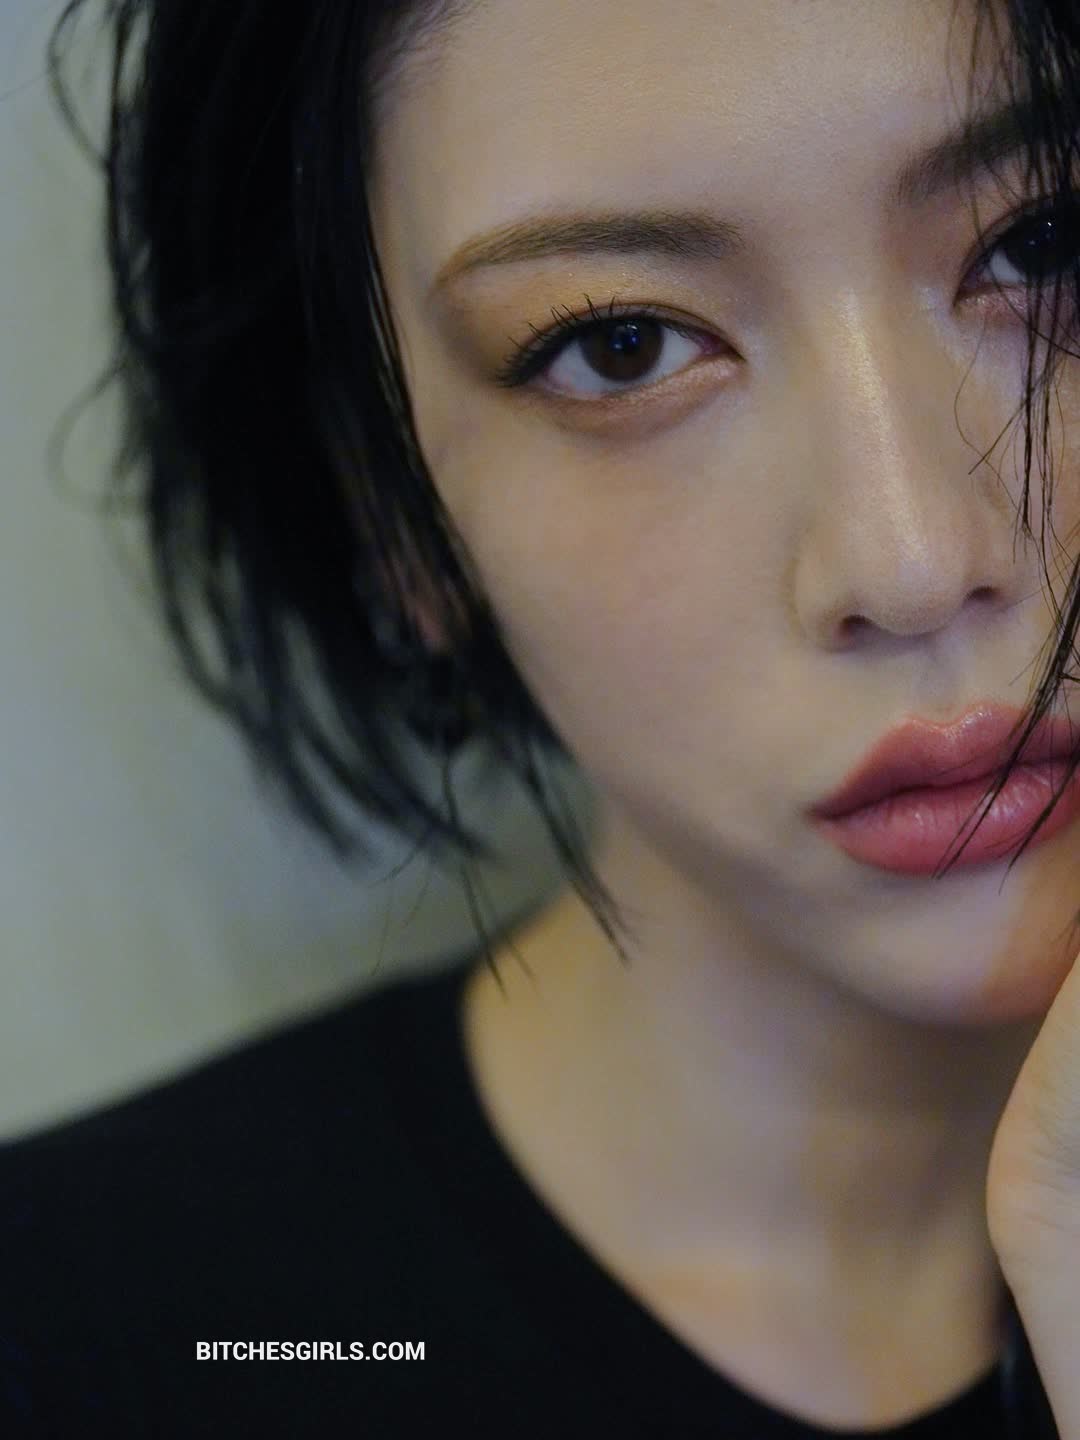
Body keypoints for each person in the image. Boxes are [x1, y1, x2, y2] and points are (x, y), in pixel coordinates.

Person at [4, 0, 1079, 1433]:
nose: (913, 561)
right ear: (396, 514)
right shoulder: (87, 1339)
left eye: (1048, 243)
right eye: (622, 345)